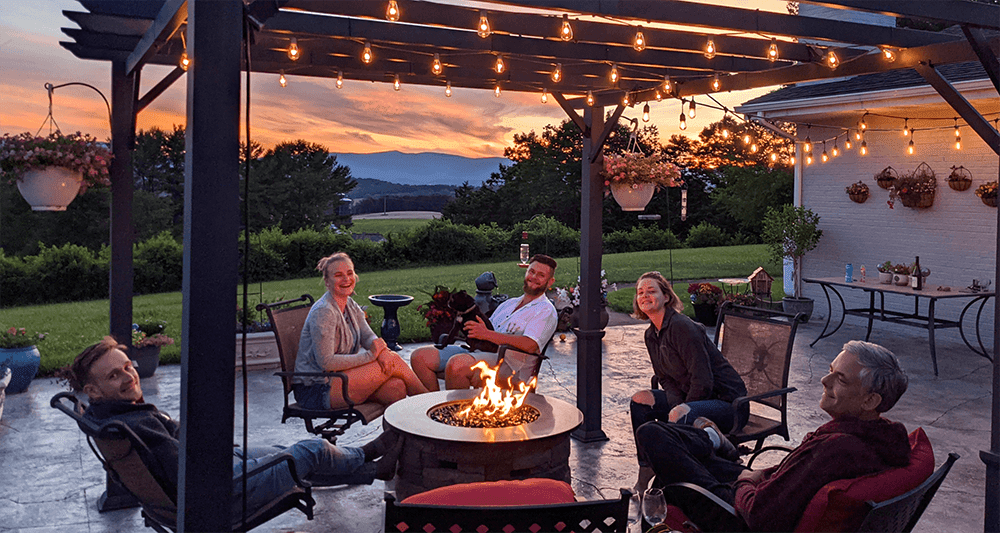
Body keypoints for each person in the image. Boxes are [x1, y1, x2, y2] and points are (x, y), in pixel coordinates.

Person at [57, 337, 403, 520]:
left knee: (289, 453)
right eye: (113, 376)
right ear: (92, 390)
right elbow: (187, 473)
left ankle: (370, 465)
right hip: (220, 492)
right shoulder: (130, 423)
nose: (128, 377)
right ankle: (370, 458)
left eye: (127, 367)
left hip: (208, 472)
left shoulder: (114, 417)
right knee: (307, 451)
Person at [635, 340, 911, 532]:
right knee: (667, 439)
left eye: (841, 379)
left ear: (870, 400)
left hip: (735, 513)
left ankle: (713, 441)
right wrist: (763, 474)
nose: (824, 382)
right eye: (830, 372)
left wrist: (745, 482)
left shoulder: (838, 448)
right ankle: (715, 442)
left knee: (653, 436)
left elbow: (759, 518)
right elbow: (796, 480)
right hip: (763, 488)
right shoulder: (882, 436)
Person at [629, 271, 748, 493]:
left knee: (679, 415)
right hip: (691, 397)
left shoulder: (682, 327)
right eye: (640, 292)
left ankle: (681, 479)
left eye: (651, 291)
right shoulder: (651, 334)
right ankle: (646, 468)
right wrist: (677, 406)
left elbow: (703, 380)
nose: (645, 296)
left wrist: (682, 410)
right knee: (640, 400)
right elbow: (665, 378)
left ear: (666, 297)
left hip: (727, 404)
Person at [294, 252, 428, 410]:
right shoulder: (325, 311)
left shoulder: (349, 303)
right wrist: (370, 356)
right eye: (338, 275)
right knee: (395, 362)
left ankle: (394, 435)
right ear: (327, 281)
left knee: (395, 388)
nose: (346, 279)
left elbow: (367, 335)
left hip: (339, 378)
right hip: (316, 390)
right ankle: (433, 406)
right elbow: (327, 362)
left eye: (349, 273)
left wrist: (382, 351)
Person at [410, 254, 559, 390]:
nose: (533, 277)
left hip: (508, 364)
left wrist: (487, 335)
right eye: (531, 272)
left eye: (541, 275)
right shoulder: (510, 303)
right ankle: (433, 408)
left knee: (457, 365)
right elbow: (486, 326)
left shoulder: (545, 310)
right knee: (420, 357)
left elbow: (531, 345)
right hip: (480, 350)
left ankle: (456, 415)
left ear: (550, 281)